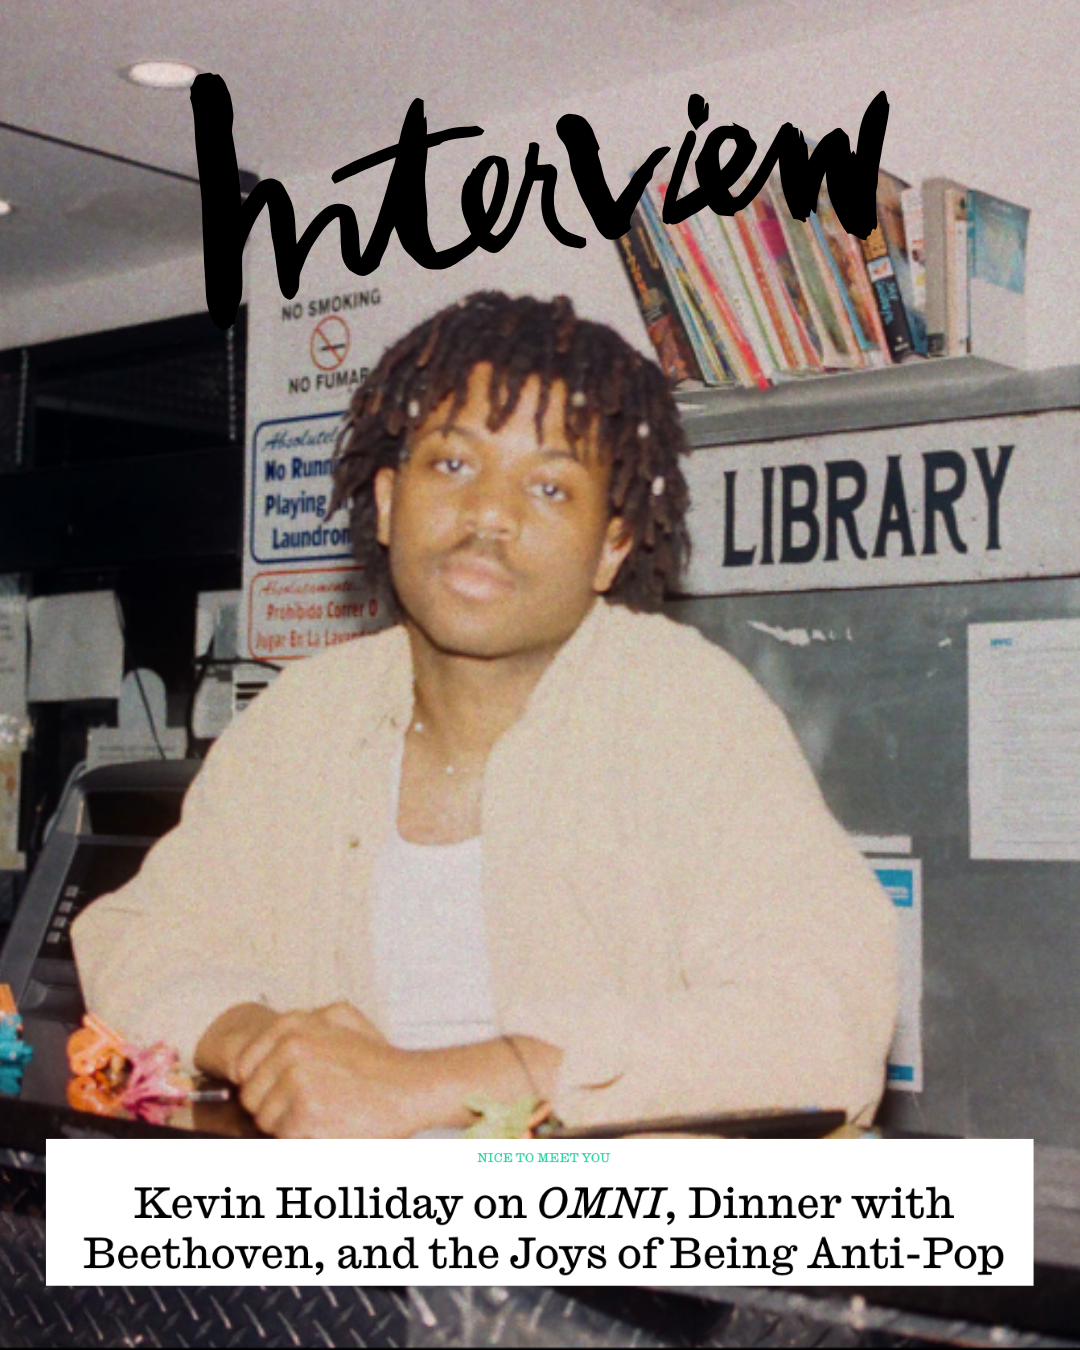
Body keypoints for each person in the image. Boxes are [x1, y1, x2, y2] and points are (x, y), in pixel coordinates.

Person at [73, 291, 897, 1139]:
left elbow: (819, 1023)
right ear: (388, 503)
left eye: (548, 486)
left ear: (611, 547)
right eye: (454, 466)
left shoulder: (686, 712)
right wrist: (266, 1047)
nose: (490, 516)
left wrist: (430, 1084)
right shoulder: (306, 719)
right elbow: (136, 939)